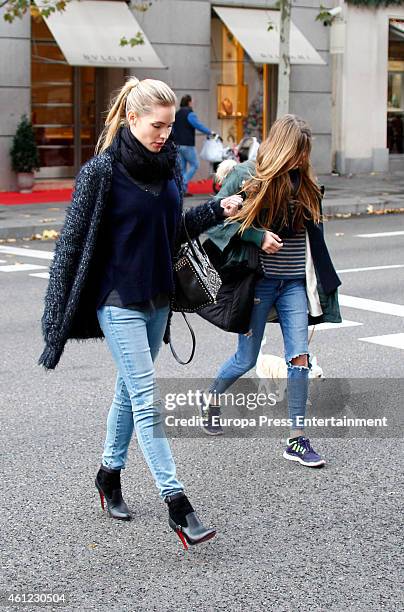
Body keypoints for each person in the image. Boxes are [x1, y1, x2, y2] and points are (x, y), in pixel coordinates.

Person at [38, 77, 242, 548]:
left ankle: (108, 475)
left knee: (129, 392)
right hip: (118, 303)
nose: (165, 134)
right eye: (157, 125)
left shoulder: (169, 167)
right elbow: (70, 247)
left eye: (170, 126)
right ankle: (179, 505)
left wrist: (218, 210)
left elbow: (175, 230)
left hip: (157, 303)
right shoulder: (102, 173)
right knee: (148, 400)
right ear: (131, 119)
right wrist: (55, 323)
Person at [200, 115, 342, 468]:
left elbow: (314, 238)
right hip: (259, 284)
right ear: (280, 148)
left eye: (304, 154)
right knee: (246, 359)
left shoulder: (306, 183)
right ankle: (211, 398)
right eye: (296, 153)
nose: (300, 161)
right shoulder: (248, 176)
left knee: (300, 358)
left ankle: (296, 439)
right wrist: (257, 236)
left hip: (293, 284)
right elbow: (216, 218)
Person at [173, 94, 214, 196]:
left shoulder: (177, 114)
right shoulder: (190, 114)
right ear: (189, 102)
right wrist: (210, 132)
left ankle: (183, 191)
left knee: (182, 168)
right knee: (195, 164)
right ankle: (183, 183)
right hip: (187, 144)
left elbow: (173, 128)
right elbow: (198, 125)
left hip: (178, 144)